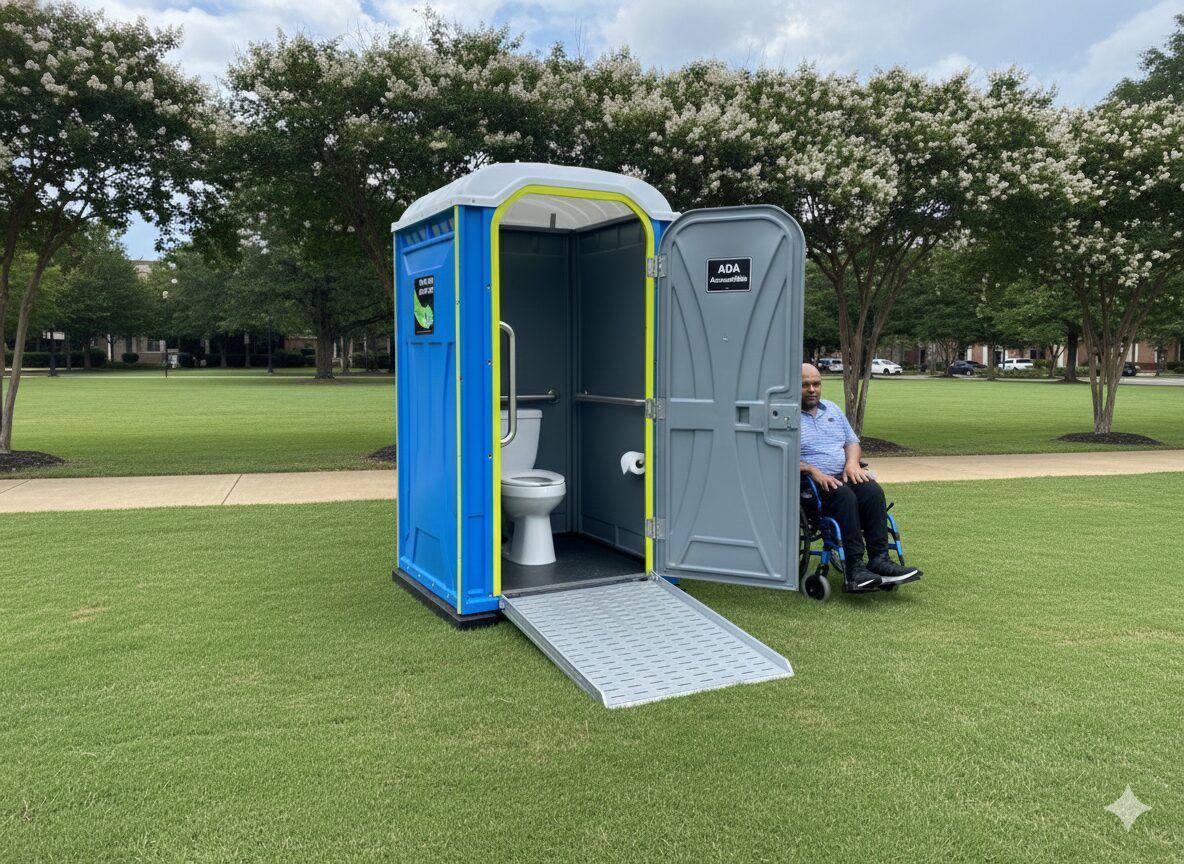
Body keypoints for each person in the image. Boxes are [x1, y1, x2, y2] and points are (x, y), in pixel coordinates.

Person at [799, 363, 922, 593]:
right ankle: (855, 567)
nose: (812, 389)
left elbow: (852, 442)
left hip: (842, 475)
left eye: (816, 384)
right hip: (810, 486)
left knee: (872, 490)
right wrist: (813, 471)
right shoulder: (787, 417)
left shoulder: (832, 410)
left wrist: (852, 463)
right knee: (845, 496)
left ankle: (880, 560)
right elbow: (779, 457)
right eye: (805, 385)